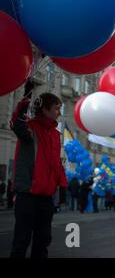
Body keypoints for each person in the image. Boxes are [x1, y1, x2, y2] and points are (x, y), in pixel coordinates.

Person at [9, 81, 68, 258]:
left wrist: (62, 186)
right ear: (45, 110)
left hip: (46, 197)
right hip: (27, 194)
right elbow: (16, 124)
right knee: (22, 240)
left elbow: (57, 163)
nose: (59, 112)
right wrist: (26, 97)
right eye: (56, 108)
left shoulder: (56, 134)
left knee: (43, 241)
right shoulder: (30, 128)